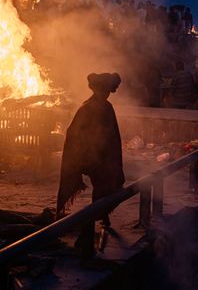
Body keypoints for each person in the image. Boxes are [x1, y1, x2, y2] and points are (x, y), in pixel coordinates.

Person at [56, 73, 125, 261]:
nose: (108, 94)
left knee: (106, 191)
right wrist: (88, 157)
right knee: (105, 191)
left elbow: (110, 137)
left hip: (97, 158)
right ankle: (86, 236)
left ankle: (94, 226)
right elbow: (78, 134)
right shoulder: (93, 108)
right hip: (93, 159)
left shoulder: (96, 106)